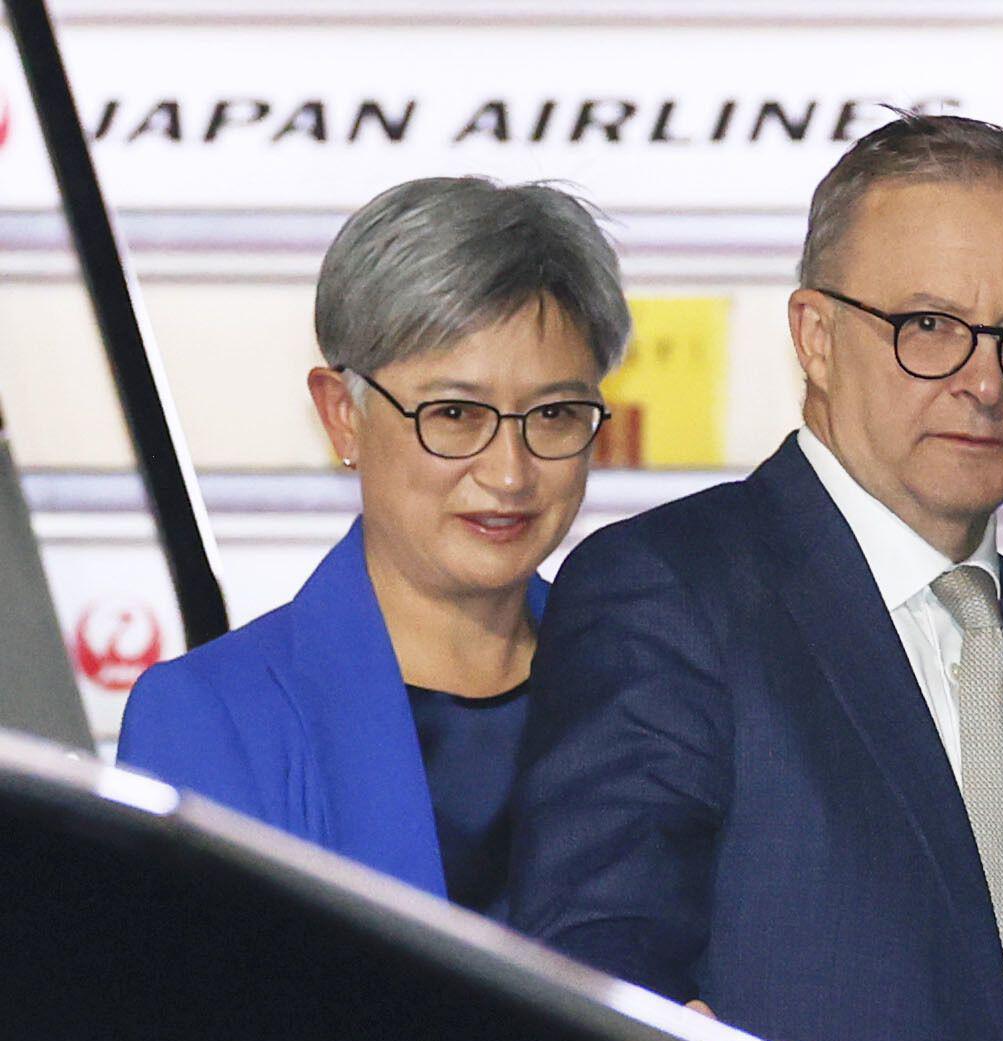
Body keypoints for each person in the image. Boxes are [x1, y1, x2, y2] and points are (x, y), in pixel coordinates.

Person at [511, 114, 1003, 1041]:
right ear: (815, 337)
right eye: (927, 325)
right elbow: (596, 987)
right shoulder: (672, 592)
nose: (983, 382)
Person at [118, 176, 629, 916]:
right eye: (454, 413)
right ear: (341, 415)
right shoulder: (212, 717)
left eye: (552, 414)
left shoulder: (647, 693)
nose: (509, 472)